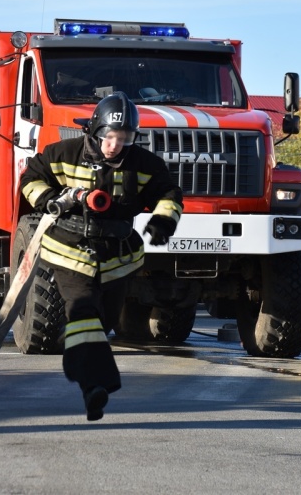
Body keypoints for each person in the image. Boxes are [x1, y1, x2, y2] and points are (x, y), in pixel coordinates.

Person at [20, 91, 183, 421]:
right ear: (94, 131)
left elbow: (169, 194)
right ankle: (95, 386)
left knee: (103, 322)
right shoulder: (64, 153)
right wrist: (52, 198)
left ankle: (85, 365)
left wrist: (164, 221)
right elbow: (30, 177)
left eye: (124, 138)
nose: (115, 145)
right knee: (83, 311)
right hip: (69, 250)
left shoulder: (144, 164)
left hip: (117, 257)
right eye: (109, 137)